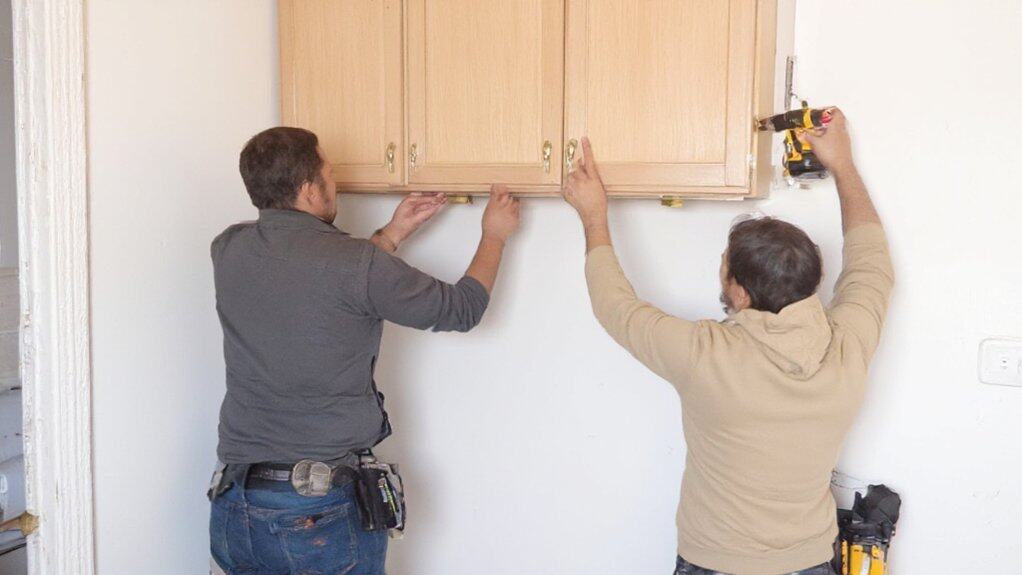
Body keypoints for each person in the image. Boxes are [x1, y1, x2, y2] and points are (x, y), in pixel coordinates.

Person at [561, 111, 893, 575]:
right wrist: (843, 164)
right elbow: (872, 262)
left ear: (739, 292)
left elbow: (614, 306)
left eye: (724, 266)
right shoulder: (849, 344)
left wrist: (593, 217)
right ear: (811, 283)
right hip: (810, 561)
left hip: (715, 563)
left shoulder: (704, 354)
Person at [208, 127, 520, 574]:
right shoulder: (356, 265)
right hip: (313, 516)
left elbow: (324, 283)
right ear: (308, 189)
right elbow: (463, 310)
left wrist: (394, 232)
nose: (334, 185)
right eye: (330, 174)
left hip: (234, 506)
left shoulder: (229, 249)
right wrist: (495, 234)